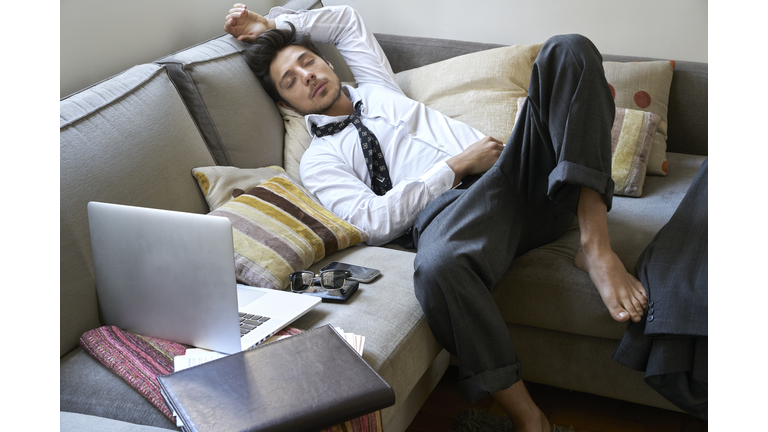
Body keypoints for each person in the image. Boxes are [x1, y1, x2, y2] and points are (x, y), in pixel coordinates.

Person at [224, 4, 648, 431]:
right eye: (291, 81)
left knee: (568, 49)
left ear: (326, 62)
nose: (308, 76)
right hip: (458, 218)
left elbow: (346, 21)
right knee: (434, 266)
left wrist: (272, 26)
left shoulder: (378, 87)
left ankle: (595, 245)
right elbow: (372, 221)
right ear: (286, 103)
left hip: (517, 177)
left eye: (308, 61)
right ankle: (530, 419)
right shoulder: (318, 160)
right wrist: (456, 166)